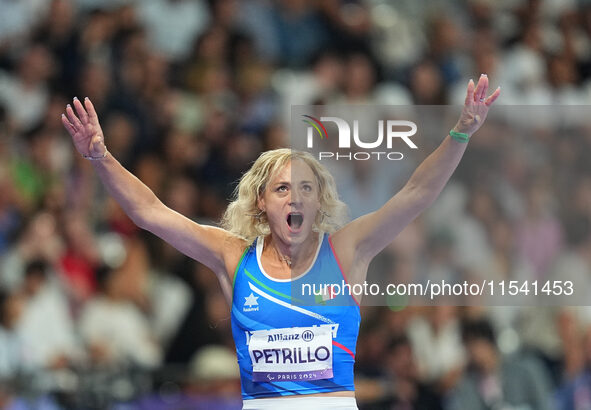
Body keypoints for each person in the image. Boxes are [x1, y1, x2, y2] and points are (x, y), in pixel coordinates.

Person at [61, 74, 500, 409]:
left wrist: (461, 131)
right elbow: (150, 211)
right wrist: (100, 156)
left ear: (320, 202)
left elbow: (416, 193)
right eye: (283, 189)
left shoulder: (346, 251)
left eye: (306, 188)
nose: (296, 197)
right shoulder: (232, 256)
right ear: (261, 204)